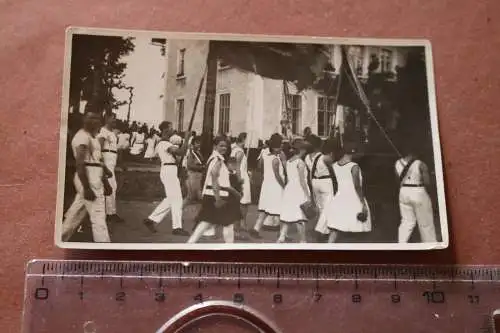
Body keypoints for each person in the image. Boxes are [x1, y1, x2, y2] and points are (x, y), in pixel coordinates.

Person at [61, 109, 112, 243]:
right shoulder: (82, 137)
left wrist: (105, 182)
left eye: (96, 119)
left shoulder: (92, 137)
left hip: (95, 176)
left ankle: (60, 237)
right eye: (90, 118)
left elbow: (98, 162)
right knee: (98, 216)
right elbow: (80, 164)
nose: (93, 121)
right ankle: (104, 248)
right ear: (84, 120)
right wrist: (87, 187)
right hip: (88, 178)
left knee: (75, 214)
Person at [188, 137, 242, 243]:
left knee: (206, 222)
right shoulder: (217, 160)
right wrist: (218, 198)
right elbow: (214, 177)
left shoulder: (213, 158)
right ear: (215, 146)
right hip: (217, 196)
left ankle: (189, 244)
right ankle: (230, 248)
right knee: (228, 223)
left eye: (225, 146)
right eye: (221, 145)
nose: (224, 148)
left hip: (211, 195)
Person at [143, 121, 190, 236]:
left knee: (171, 199)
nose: (173, 130)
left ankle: (151, 220)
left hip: (171, 170)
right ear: (165, 130)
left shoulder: (166, 143)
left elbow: (177, 155)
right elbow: (181, 152)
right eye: (171, 128)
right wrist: (187, 139)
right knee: (177, 199)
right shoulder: (163, 143)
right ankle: (177, 227)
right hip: (168, 170)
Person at [326, 142, 371, 242]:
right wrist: (363, 202)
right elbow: (357, 186)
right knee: (357, 226)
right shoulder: (354, 166)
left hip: (339, 197)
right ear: (352, 153)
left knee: (335, 227)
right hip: (353, 198)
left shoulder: (334, 165)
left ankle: (329, 247)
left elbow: (334, 183)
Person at [395, 144, 437, 243]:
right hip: (418, 191)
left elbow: (397, 180)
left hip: (403, 192)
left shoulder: (397, 163)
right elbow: (427, 182)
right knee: (425, 223)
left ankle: (401, 244)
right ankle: (429, 244)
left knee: (406, 221)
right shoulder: (421, 164)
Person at [250, 133, 286, 239]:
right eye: (281, 144)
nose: (282, 147)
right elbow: (278, 176)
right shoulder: (275, 158)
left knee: (265, 209)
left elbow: (259, 166)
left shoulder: (265, 154)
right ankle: (282, 234)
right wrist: (284, 185)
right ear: (277, 146)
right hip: (276, 186)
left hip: (267, 184)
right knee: (281, 209)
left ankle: (256, 228)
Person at [304, 135, 338, 242]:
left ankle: (325, 231)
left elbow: (309, 173)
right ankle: (320, 229)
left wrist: (310, 184)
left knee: (321, 208)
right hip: (325, 182)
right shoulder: (324, 157)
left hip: (314, 181)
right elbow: (333, 172)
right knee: (328, 207)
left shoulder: (307, 158)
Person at [278, 138, 310, 243]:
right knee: (300, 216)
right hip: (298, 189)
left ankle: (282, 237)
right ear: (302, 150)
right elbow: (302, 180)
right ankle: (303, 240)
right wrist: (308, 195)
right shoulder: (300, 162)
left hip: (289, 188)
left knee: (289, 213)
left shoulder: (289, 161)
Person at [97, 112, 124, 224]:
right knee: (111, 186)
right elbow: (99, 147)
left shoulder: (111, 133)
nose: (115, 121)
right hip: (106, 160)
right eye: (113, 119)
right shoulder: (103, 131)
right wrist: (101, 163)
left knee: (112, 186)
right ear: (107, 118)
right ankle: (110, 214)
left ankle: (110, 212)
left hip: (111, 161)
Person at [230, 132, 252, 235]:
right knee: (244, 202)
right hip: (241, 177)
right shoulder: (240, 152)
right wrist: (239, 179)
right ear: (243, 139)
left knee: (241, 202)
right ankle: (240, 225)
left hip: (238, 175)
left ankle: (240, 225)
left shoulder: (233, 150)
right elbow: (237, 167)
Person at [185, 136, 205, 203]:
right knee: (193, 188)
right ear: (193, 144)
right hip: (193, 173)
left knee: (197, 187)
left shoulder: (198, 152)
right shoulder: (191, 153)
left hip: (198, 173)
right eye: (197, 143)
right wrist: (201, 167)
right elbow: (190, 165)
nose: (199, 144)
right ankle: (190, 199)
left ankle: (196, 198)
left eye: (200, 143)